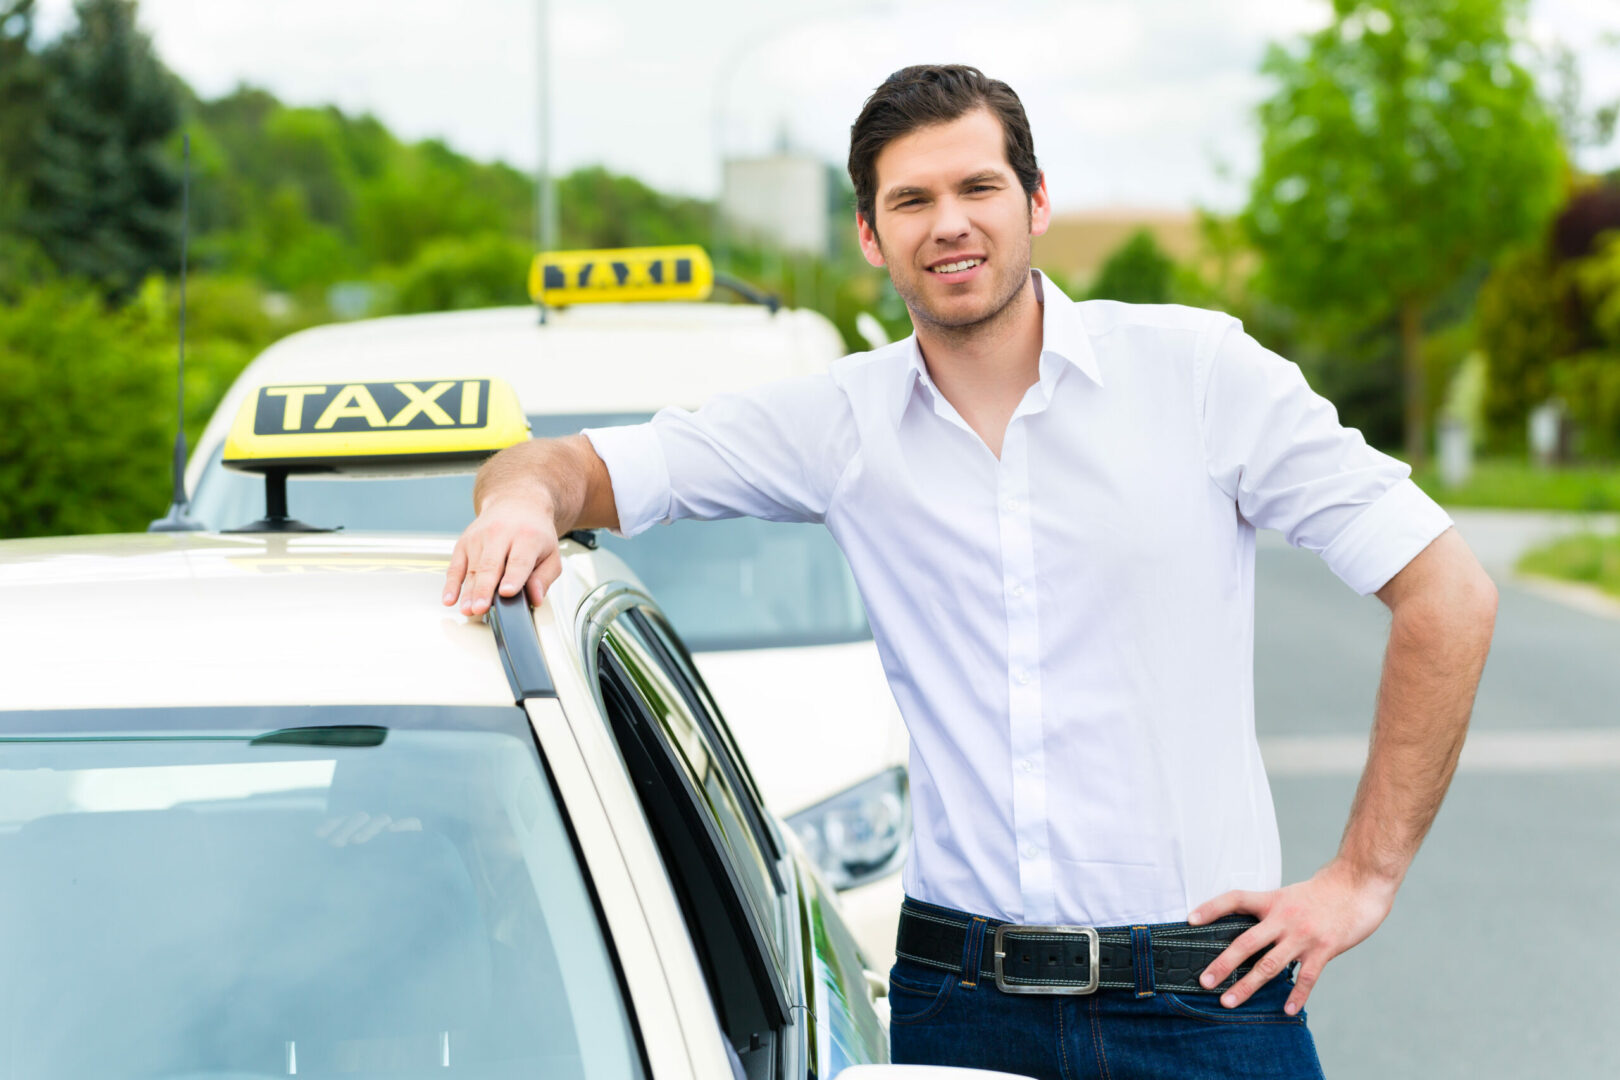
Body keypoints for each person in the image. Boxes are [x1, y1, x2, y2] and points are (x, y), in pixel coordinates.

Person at [442, 65, 1496, 1079]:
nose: (948, 222)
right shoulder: (840, 425)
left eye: (977, 187)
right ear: (870, 234)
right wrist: (524, 504)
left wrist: (1363, 877)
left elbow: (1447, 592)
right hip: (965, 1006)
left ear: (1035, 202)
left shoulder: (1200, 374)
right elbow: (568, 465)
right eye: (911, 199)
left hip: (1205, 997)